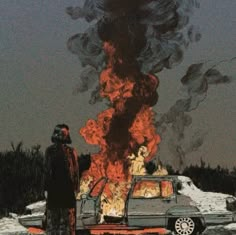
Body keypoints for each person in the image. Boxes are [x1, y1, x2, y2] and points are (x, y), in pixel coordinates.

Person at [44, 124, 79, 235]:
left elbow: (75, 171)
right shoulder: (49, 151)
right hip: (54, 192)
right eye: (61, 133)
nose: (63, 135)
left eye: (65, 133)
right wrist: (46, 188)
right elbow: (47, 170)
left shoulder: (71, 152)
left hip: (67, 193)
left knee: (67, 225)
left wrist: (76, 188)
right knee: (53, 225)